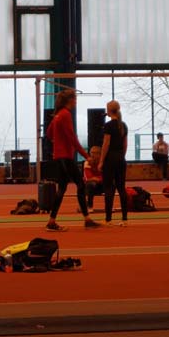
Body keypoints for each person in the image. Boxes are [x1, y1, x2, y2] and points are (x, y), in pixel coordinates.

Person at [44, 89, 100, 232]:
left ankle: (52, 221)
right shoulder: (65, 114)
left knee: (62, 188)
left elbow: (49, 134)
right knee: (80, 185)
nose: (76, 102)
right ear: (69, 100)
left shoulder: (57, 115)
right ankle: (87, 219)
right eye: (75, 99)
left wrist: (58, 142)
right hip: (66, 157)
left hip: (59, 157)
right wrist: (86, 156)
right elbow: (72, 138)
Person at [99, 100, 129, 227]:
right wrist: (122, 156)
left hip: (110, 159)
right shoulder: (123, 125)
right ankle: (125, 219)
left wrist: (101, 161)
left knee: (109, 188)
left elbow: (106, 144)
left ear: (108, 111)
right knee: (121, 188)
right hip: (121, 158)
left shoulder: (108, 126)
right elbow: (125, 144)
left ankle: (108, 219)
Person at [82, 146, 104, 210]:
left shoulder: (104, 162)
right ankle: (89, 206)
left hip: (102, 184)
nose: (92, 155)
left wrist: (97, 179)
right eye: (91, 153)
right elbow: (88, 178)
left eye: (95, 153)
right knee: (90, 184)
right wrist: (96, 179)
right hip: (92, 186)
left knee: (111, 184)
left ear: (100, 154)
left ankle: (109, 205)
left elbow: (107, 176)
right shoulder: (87, 162)